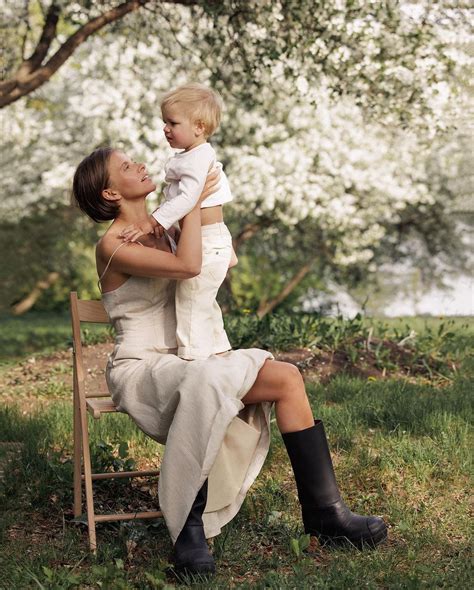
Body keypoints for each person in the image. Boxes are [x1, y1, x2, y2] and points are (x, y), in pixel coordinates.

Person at [72, 147, 387, 577]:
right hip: (142, 368)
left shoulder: (162, 229)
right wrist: (195, 198)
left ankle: (325, 515)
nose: (141, 165)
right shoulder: (112, 244)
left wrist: (198, 206)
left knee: (287, 378)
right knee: (205, 378)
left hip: (193, 358)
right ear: (110, 192)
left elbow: (225, 259)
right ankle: (188, 529)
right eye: (127, 167)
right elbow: (189, 266)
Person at [119, 83, 237, 361]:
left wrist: (151, 221)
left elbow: (189, 199)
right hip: (208, 239)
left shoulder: (199, 157)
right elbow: (182, 199)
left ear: (198, 127)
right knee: (202, 303)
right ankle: (221, 355)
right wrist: (167, 222)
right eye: (164, 122)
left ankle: (192, 362)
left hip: (207, 241)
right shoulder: (191, 156)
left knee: (190, 305)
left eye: (173, 122)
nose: (165, 128)